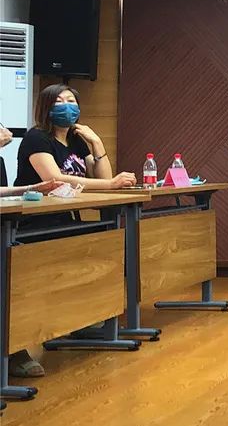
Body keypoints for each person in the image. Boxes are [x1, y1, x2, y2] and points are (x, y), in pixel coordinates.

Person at [9, 84, 136, 378]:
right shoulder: (36, 138)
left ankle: (78, 320)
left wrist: (97, 144)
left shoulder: (77, 141)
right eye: (59, 101)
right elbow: (54, 179)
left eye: (71, 100)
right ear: (46, 107)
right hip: (31, 223)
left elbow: (103, 180)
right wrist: (111, 184)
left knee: (103, 245)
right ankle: (15, 348)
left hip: (62, 220)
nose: (67, 105)